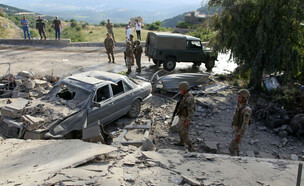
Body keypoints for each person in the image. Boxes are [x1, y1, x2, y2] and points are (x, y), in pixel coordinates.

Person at [172, 81, 195, 152]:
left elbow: (191, 111)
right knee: (179, 130)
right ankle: (181, 142)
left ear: (185, 90)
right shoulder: (184, 95)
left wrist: (188, 120)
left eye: (181, 90)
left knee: (184, 133)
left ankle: (190, 146)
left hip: (185, 117)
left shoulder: (189, 98)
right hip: (181, 116)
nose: (180, 91)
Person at [229, 89, 252, 156]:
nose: (238, 98)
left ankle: (233, 161)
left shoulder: (247, 110)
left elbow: (245, 125)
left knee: (231, 148)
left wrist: (239, 135)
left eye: (240, 97)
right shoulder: (240, 106)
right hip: (236, 129)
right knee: (236, 146)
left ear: (244, 99)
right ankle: (238, 158)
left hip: (239, 132)